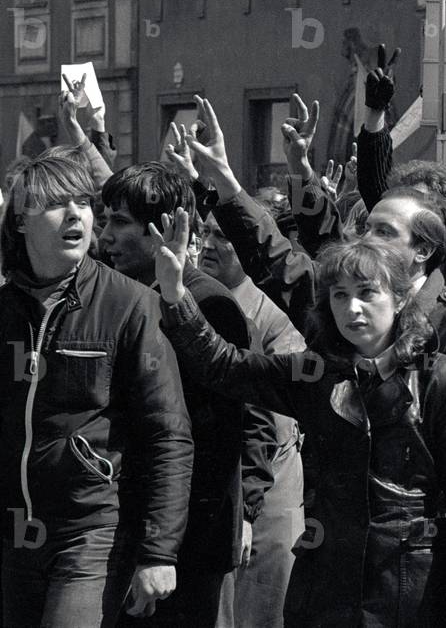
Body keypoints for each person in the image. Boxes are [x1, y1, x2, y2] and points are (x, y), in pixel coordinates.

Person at [153, 221, 446, 627]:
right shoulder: (316, 373)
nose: (352, 309)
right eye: (340, 295)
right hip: (324, 589)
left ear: (401, 299)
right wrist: (176, 295)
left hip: (409, 589)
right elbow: (225, 367)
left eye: (367, 294)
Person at [0, 153, 192, 626]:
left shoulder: (131, 304)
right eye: (55, 204)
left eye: (83, 203)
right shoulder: (4, 307)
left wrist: (158, 552)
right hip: (13, 538)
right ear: (21, 222)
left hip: (90, 533)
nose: (77, 215)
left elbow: (167, 433)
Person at [98, 161, 270, 626]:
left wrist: (242, 510)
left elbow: (236, 426)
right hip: (131, 526)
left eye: (120, 222)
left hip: (193, 540)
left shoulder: (209, 302)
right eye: (104, 220)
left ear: (165, 229)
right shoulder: (114, 292)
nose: (105, 237)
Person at [197, 211, 307, 628]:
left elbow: (270, 421)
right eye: (204, 232)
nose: (208, 244)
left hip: (264, 492)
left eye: (222, 236)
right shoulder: (196, 296)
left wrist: (246, 509)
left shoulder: (269, 318)